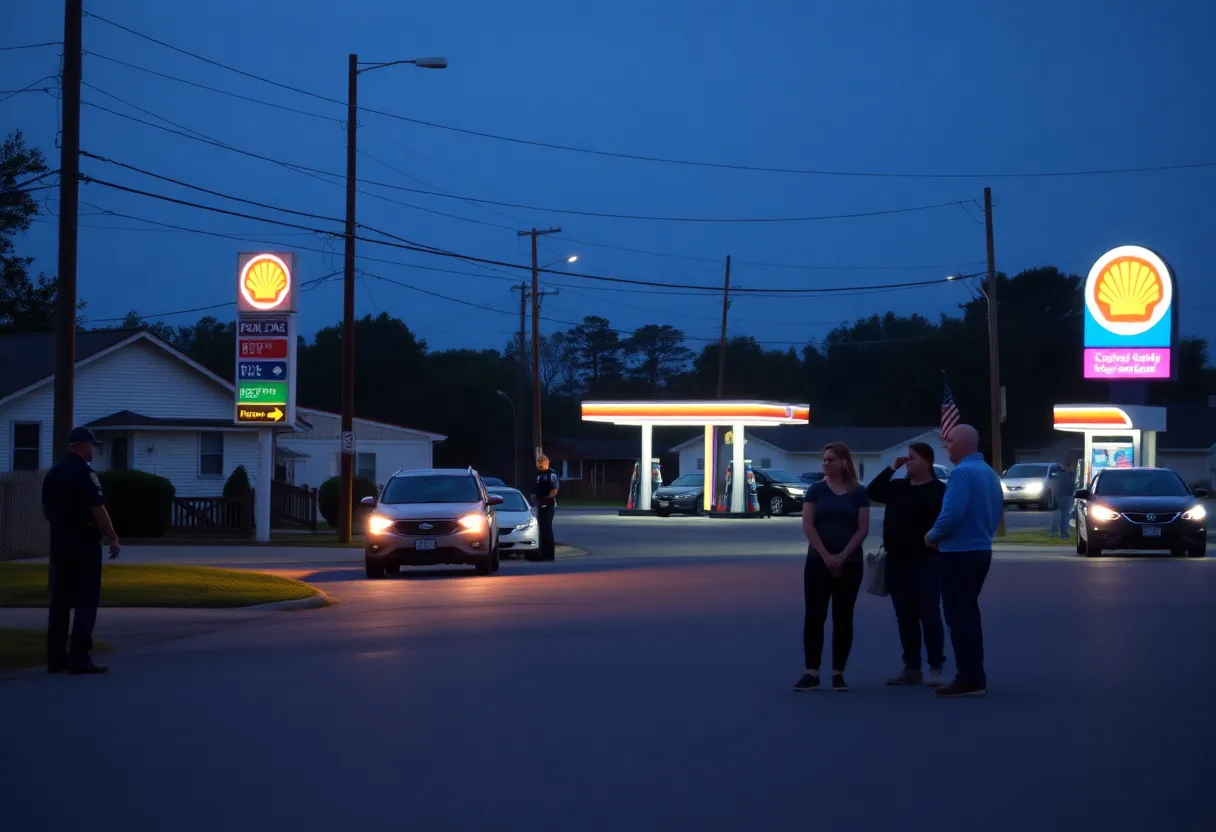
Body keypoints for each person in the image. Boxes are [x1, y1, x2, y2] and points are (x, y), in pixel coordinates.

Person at [924, 424, 1003, 697]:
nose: (945, 445)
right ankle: (974, 674)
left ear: (964, 444)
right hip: (981, 549)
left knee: (958, 616)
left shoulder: (962, 474)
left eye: (950, 440)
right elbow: (995, 511)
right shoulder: (989, 473)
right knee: (969, 614)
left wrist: (932, 535)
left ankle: (968, 678)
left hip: (959, 553)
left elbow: (952, 513)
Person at [866, 443, 948, 687]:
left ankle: (936, 666)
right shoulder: (898, 487)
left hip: (926, 559)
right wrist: (892, 467)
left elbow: (948, 519)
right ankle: (911, 667)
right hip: (896, 560)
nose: (907, 462)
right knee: (905, 615)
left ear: (927, 462)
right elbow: (873, 491)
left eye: (912, 458)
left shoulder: (938, 490)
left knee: (929, 613)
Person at [42, 427, 121, 675]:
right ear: (80, 446)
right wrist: (112, 536)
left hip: (60, 541)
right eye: (92, 446)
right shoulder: (85, 473)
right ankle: (79, 656)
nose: (94, 450)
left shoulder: (54, 473)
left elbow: (47, 509)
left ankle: (56, 657)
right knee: (87, 600)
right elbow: (97, 508)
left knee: (61, 599)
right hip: (84, 542)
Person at [794, 442, 871, 692]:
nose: (825, 463)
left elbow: (863, 528)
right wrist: (826, 555)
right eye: (824, 459)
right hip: (818, 563)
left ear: (844, 463)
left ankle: (838, 672)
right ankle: (811, 672)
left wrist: (843, 555)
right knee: (815, 616)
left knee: (843, 617)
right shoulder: (815, 490)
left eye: (831, 460)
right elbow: (808, 525)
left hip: (850, 564)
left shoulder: (858, 492)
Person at [529, 454, 560, 562]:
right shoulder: (539, 475)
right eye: (537, 462)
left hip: (547, 504)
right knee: (541, 529)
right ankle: (542, 553)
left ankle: (549, 554)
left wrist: (546, 499)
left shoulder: (551, 474)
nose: (538, 464)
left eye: (540, 462)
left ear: (546, 463)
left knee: (547, 529)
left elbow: (554, 489)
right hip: (539, 504)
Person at [1051, 464, 1075, 539]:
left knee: (1057, 515)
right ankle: (1064, 533)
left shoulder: (1057, 476)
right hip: (1067, 495)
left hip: (1059, 495)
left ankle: (1054, 533)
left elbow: (1055, 487)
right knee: (1065, 515)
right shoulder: (1069, 474)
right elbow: (1073, 485)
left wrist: (1053, 497)